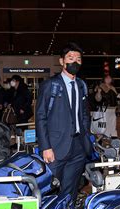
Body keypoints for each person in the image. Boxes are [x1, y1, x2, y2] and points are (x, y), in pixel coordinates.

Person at [36, 42, 92, 198]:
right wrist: (45, 147)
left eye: (78, 59)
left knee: (70, 191)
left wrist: (86, 135)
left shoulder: (81, 85)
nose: (74, 61)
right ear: (62, 61)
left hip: (78, 147)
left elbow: (84, 114)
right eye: (70, 57)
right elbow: (40, 117)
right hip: (55, 148)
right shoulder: (50, 85)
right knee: (50, 190)